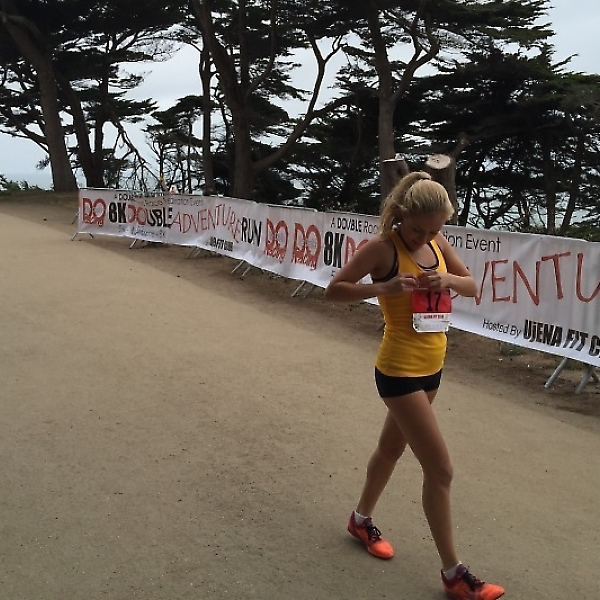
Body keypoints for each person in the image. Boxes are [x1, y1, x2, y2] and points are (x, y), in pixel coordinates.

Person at [324, 171, 505, 600]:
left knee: (391, 449)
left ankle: (360, 520)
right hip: (399, 370)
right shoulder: (382, 248)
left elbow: (471, 286)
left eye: (434, 230)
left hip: (432, 368)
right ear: (401, 215)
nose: (425, 237)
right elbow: (334, 290)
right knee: (440, 470)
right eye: (417, 229)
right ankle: (454, 574)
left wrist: (448, 280)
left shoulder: (437, 243)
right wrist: (382, 287)